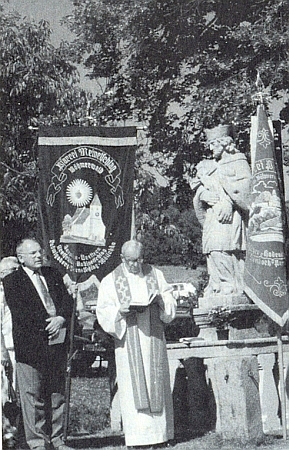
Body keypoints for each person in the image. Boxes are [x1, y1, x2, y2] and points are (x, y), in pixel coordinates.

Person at [96, 240, 176, 447]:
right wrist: (118, 312)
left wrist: (161, 302)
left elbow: (169, 298)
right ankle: (138, 438)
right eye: (131, 260)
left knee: (156, 380)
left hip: (154, 339)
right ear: (122, 258)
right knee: (133, 387)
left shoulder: (155, 274)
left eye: (139, 259)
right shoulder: (111, 280)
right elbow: (103, 310)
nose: (135, 264)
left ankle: (161, 435)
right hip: (127, 343)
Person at [2, 238, 74, 450]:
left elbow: (66, 301)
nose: (38, 255)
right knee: (33, 399)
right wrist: (47, 324)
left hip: (56, 346)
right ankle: (38, 443)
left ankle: (58, 440)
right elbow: (22, 312)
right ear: (21, 258)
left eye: (40, 251)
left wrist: (60, 318)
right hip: (31, 348)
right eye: (32, 253)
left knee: (57, 396)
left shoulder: (53, 275)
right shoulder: (13, 281)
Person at [193, 125, 251, 297]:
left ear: (224, 143)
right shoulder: (210, 165)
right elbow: (199, 189)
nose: (210, 148)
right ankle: (216, 283)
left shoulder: (239, 161)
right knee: (211, 249)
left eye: (213, 144)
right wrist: (203, 195)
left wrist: (230, 203)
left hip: (230, 217)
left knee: (224, 248)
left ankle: (230, 283)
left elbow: (246, 190)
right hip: (213, 215)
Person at [1, 257, 20, 448]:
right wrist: (3, 353)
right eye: (12, 271)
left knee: (16, 397)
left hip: (19, 350)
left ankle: (14, 435)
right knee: (4, 395)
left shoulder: (19, 293)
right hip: (4, 351)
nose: (17, 274)